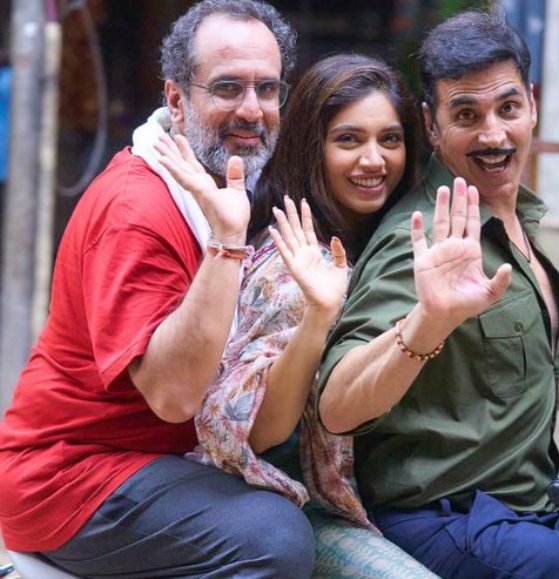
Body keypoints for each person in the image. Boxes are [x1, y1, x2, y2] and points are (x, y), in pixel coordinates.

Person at [317, 10, 559, 579]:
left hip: (533, 507)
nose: (493, 134)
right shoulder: (425, 240)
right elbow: (337, 404)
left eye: (508, 108)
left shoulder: (510, 216)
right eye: (466, 115)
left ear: (533, 106)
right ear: (432, 125)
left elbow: (482, 365)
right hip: (448, 521)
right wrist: (428, 319)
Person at [0, 1, 317, 577]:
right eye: (228, 87)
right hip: (72, 478)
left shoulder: (233, 182)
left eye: (268, 89)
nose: (252, 109)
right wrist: (227, 243)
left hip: (154, 463)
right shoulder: (137, 208)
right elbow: (173, 397)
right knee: (275, 538)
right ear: (176, 99)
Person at [164, 52, 435, 577]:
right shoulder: (291, 265)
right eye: (349, 140)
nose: (374, 160)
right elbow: (257, 435)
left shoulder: (387, 241)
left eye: (390, 139)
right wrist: (317, 317)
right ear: (313, 148)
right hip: (289, 504)